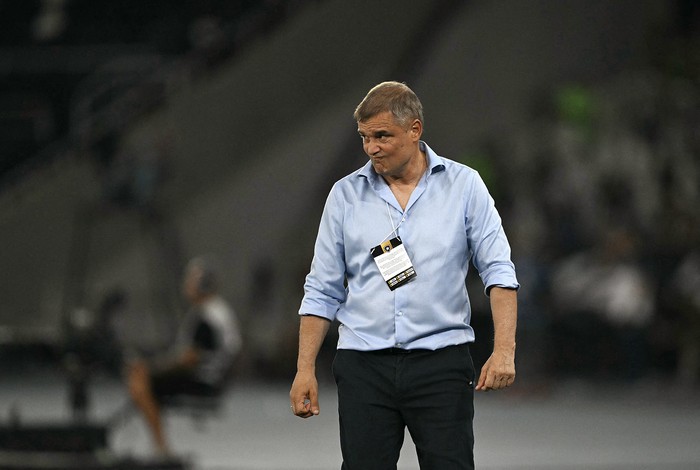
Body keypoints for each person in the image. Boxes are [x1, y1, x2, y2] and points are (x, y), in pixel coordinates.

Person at [289, 81, 519, 470]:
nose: (371, 147)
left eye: (382, 135)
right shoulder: (344, 196)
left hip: (441, 364)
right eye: (364, 137)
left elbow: (498, 270)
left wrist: (504, 351)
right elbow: (322, 289)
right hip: (364, 366)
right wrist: (304, 369)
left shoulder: (465, 187)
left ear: (415, 130)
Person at [127, 257, 242, 454]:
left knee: (139, 379)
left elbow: (189, 359)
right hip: (211, 376)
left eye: (190, 280)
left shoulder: (206, 318)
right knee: (144, 373)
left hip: (203, 378)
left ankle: (160, 446)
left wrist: (152, 367)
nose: (186, 285)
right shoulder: (217, 310)